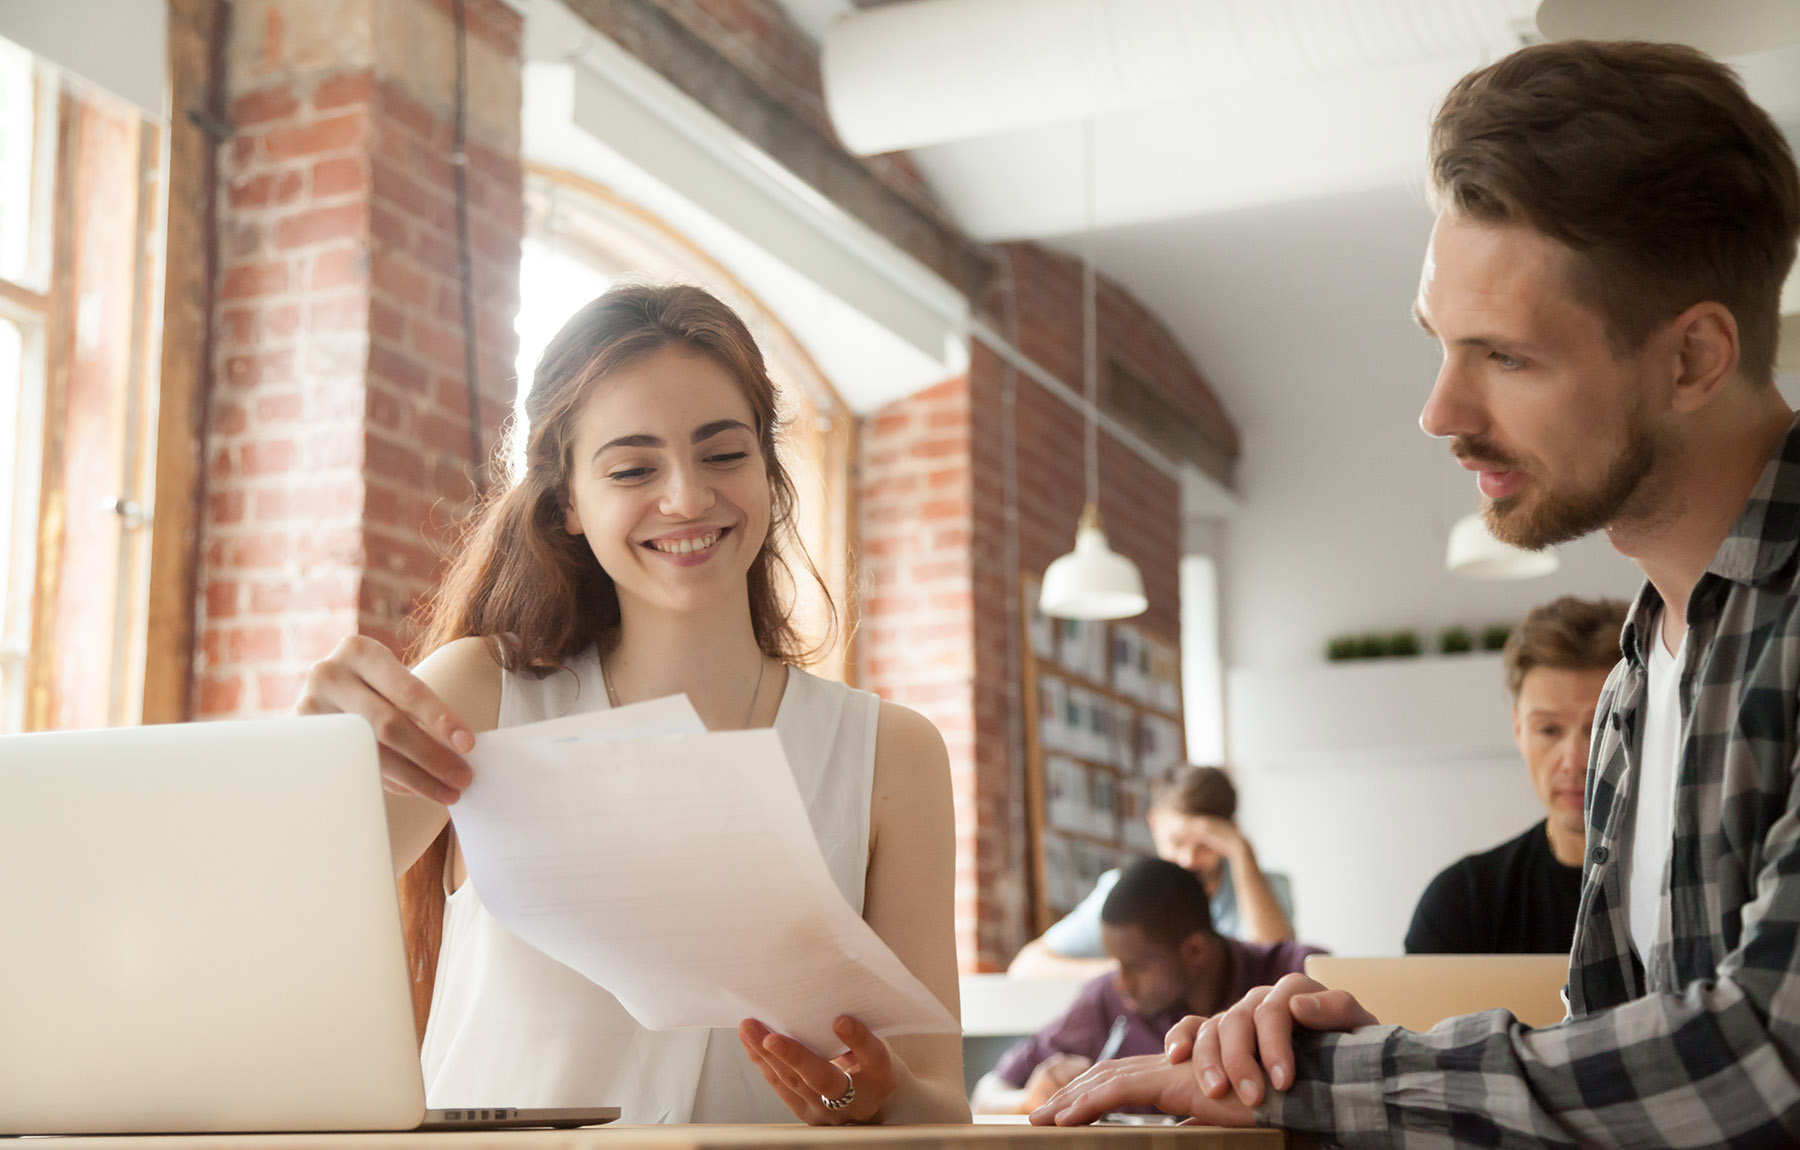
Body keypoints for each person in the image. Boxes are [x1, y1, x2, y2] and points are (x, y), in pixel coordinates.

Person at [1031, 39, 1800, 1145]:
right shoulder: (1647, 664)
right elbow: (1626, 1057)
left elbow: (1767, 1061)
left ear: (1691, 360)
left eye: (1506, 357)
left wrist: (1349, 1081)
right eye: (1440, 345)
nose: (1440, 411)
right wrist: (1353, 1047)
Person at [296, 283, 969, 1126]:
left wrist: (872, 1094)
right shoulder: (483, 697)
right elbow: (281, 918)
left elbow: (938, 1107)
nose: (686, 497)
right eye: (632, 469)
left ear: (768, 469)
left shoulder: (890, 754)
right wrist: (313, 763)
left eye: (724, 454)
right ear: (569, 501)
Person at [972, 859, 1320, 1115]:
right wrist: (1028, 1100)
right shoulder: (1105, 1000)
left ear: (1194, 951)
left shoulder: (1295, 972)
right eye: (1115, 964)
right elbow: (985, 1092)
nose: (1121, 982)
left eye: (1135, 967)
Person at [1405, 596, 1628, 955]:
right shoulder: (1463, 901)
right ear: (1518, 729)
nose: (1574, 761)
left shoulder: (1691, 884)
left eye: (1601, 730)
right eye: (1549, 730)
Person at [1009, 765, 1294, 979]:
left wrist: (1242, 852)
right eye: (1177, 842)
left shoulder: (1265, 887)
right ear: (1154, 825)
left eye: (1204, 845)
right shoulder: (1124, 891)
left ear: (1231, 832)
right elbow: (1026, 967)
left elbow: (1275, 965)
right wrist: (1120, 970)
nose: (1188, 859)